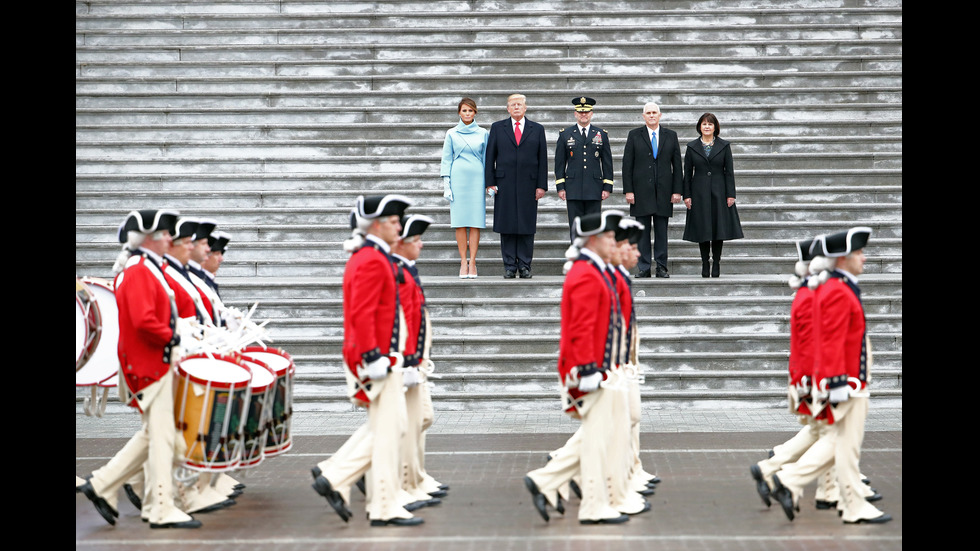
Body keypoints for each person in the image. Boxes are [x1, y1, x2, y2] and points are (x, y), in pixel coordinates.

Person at [78, 209, 202, 529]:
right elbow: (144, 321)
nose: (169, 239)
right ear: (149, 238)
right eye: (164, 234)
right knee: (162, 439)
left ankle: (104, 484)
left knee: (158, 436)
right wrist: (176, 335)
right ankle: (160, 508)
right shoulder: (138, 270)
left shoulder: (147, 267)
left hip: (157, 362)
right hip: (148, 364)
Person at [310, 194, 425, 527]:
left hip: (384, 357)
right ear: (375, 224)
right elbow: (362, 313)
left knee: (392, 428)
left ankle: (339, 479)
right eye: (393, 221)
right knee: (390, 431)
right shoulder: (372, 259)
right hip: (375, 358)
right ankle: (376, 501)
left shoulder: (376, 256)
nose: (399, 226)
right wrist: (373, 356)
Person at [771, 227, 892, 525]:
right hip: (846, 382)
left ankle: (847, 502)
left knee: (842, 448)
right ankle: (789, 480)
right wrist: (837, 382)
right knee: (842, 446)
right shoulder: (837, 290)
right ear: (842, 259)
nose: (863, 258)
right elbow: (830, 341)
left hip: (847, 380)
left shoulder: (839, 287)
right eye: (858, 253)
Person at [524, 210, 631, 525]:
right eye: (610, 238)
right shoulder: (586, 273)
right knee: (596, 441)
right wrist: (586, 369)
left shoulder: (594, 270)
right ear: (594, 240)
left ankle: (546, 481)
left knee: (598, 436)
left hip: (601, 369)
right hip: (590, 370)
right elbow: (580, 328)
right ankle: (593, 507)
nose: (615, 243)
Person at [390, 214, 446, 511]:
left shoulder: (406, 270)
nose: (421, 245)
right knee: (406, 422)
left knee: (419, 419)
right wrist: (409, 360)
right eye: (417, 240)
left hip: (415, 358)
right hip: (406, 359)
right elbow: (403, 321)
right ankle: (394, 478)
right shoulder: (397, 271)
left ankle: (414, 478)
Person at [485, 93, 549, 279]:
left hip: (529, 184)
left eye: (519, 104)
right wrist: (490, 182)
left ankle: (525, 265)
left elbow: (542, 159)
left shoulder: (537, 129)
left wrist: (541, 185)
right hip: (504, 183)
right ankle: (509, 266)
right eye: (512, 105)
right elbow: (490, 157)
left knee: (526, 225)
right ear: (507, 108)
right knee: (507, 224)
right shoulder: (498, 128)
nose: (516, 108)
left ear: (525, 107)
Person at [621, 102, 683, 278]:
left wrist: (677, 190)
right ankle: (644, 267)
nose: (651, 115)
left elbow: (677, 165)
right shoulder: (634, 135)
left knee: (662, 231)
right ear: (643, 116)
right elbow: (627, 165)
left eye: (654, 112)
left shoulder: (670, 136)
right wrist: (629, 190)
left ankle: (661, 266)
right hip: (640, 192)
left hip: (664, 191)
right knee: (642, 231)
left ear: (660, 115)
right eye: (648, 113)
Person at [682, 113, 744, 277]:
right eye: (704, 124)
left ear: (715, 127)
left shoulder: (724, 146)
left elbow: (729, 171)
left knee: (718, 228)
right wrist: (686, 195)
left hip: (719, 190)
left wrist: (731, 194)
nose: (707, 126)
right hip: (699, 192)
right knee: (703, 228)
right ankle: (704, 263)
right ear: (699, 127)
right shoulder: (692, 147)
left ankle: (716, 262)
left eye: (710, 124)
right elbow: (687, 173)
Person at [554, 96, 614, 242]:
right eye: (580, 112)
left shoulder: (601, 134)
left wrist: (607, 186)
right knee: (575, 226)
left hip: (594, 188)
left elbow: (607, 162)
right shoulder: (565, 134)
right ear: (575, 114)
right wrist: (561, 187)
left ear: (591, 113)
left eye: (586, 112)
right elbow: (560, 163)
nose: (583, 115)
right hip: (573, 188)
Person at [441, 97, 489, 279]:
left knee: (476, 222)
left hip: (477, 179)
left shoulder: (483, 133)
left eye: (470, 111)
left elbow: (487, 158)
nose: (467, 114)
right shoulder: (451, 133)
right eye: (464, 111)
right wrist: (447, 185)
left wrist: (490, 183)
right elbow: (446, 159)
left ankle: (473, 262)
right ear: (459, 113)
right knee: (460, 223)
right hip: (458, 178)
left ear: (475, 112)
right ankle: (463, 261)